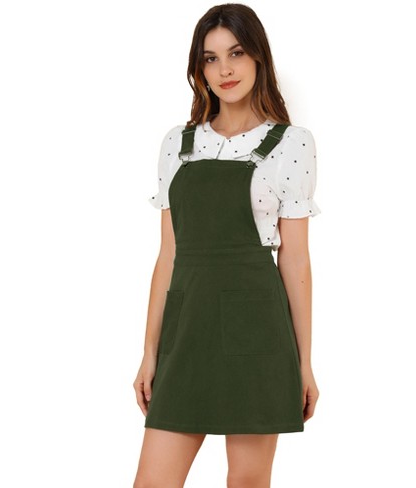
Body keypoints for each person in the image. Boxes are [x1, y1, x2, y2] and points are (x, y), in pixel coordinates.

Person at [133, 3, 320, 487]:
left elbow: (295, 260)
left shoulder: (291, 144)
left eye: (236, 53)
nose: (225, 70)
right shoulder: (178, 143)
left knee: (247, 482)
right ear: (199, 69)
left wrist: (303, 363)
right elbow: (168, 256)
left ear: (258, 56)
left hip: (257, 334)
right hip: (186, 330)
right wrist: (150, 352)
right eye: (210, 58)